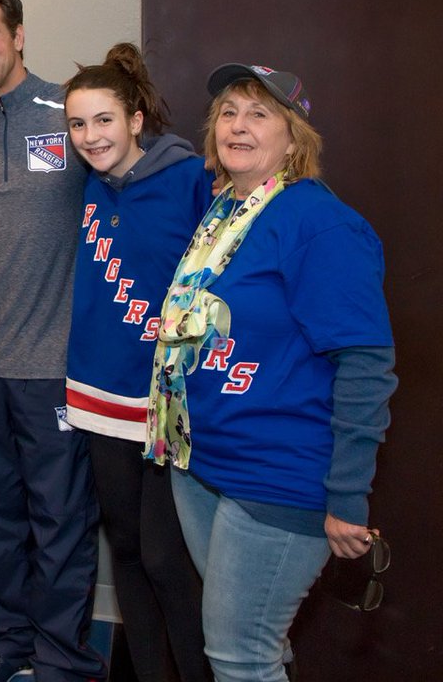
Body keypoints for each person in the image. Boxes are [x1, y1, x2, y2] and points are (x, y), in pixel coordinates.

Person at [146, 64, 396, 682]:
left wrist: (347, 496)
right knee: (257, 644)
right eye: (228, 112)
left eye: (259, 114)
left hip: (279, 476)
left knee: (240, 657)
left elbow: (366, 363)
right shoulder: (225, 212)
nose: (238, 125)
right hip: (202, 463)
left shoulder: (318, 222)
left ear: (294, 137)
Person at [0, 0, 105, 682]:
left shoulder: (68, 113)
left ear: (17, 35)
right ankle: (4, 640)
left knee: (62, 522)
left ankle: (63, 657)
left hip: (52, 361)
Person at [63, 44, 213, 682]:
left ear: (134, 120)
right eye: (77, 124)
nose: (90, 137)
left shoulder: (190, 178)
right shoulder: (87, 187)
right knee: (123, 547)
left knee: (165, 559)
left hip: (165, 400)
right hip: (97, 394)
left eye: (103, 120)